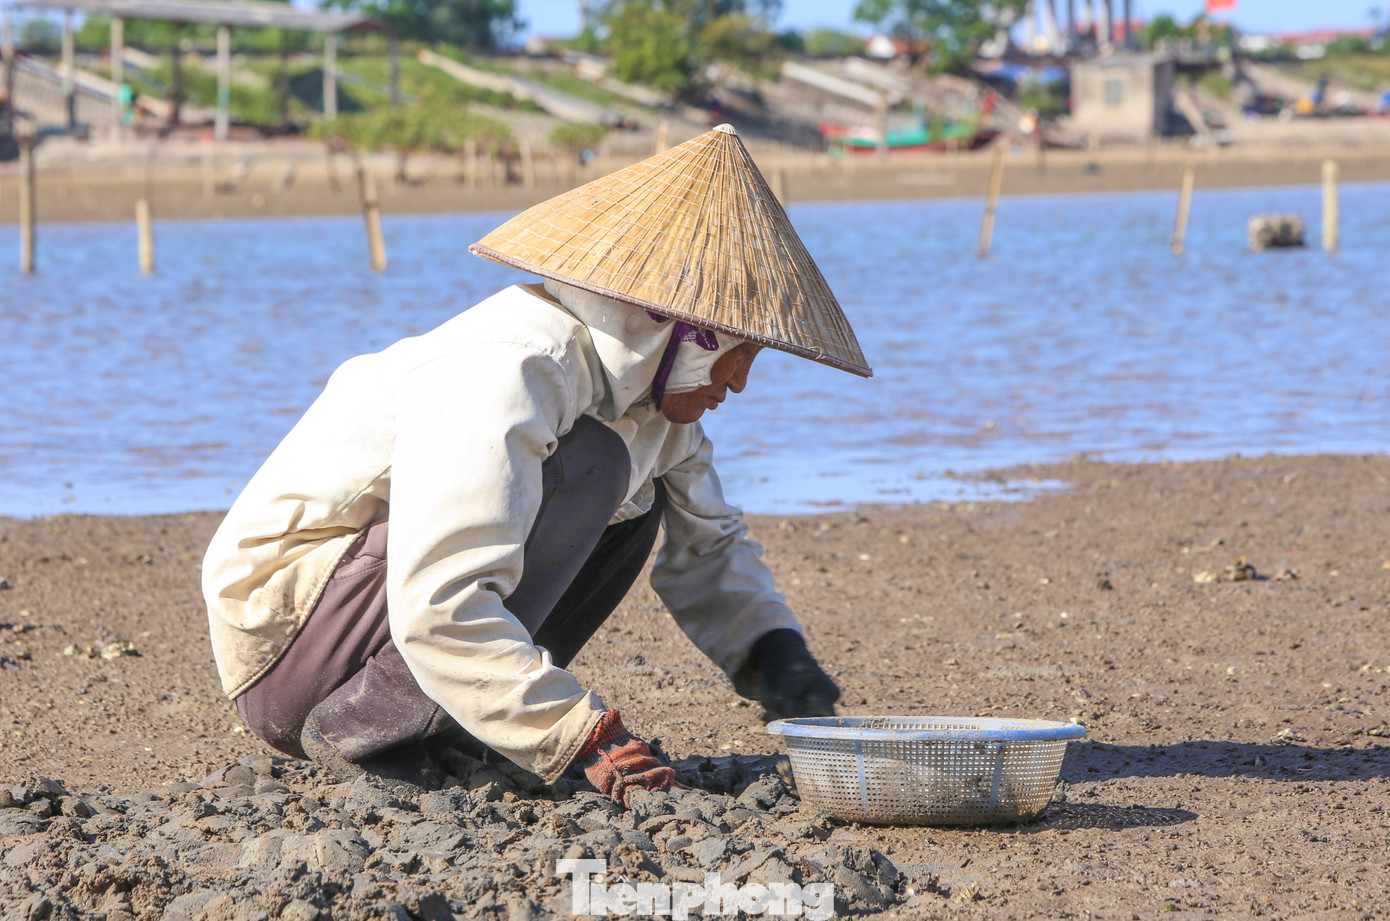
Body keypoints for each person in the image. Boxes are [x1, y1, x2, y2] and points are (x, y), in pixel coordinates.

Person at [201, 124, 873, 807]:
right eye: (736, 353)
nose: (737, 383)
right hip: (289, 653)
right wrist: (582, 733)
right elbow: (441, 598)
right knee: (592, 466)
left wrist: (781, 661)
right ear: (670, 328)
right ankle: (368, 725)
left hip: (372, 628)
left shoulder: (649, 412)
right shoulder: (512, 369)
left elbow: (712, 548)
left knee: (638, 502)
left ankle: (451, 720)